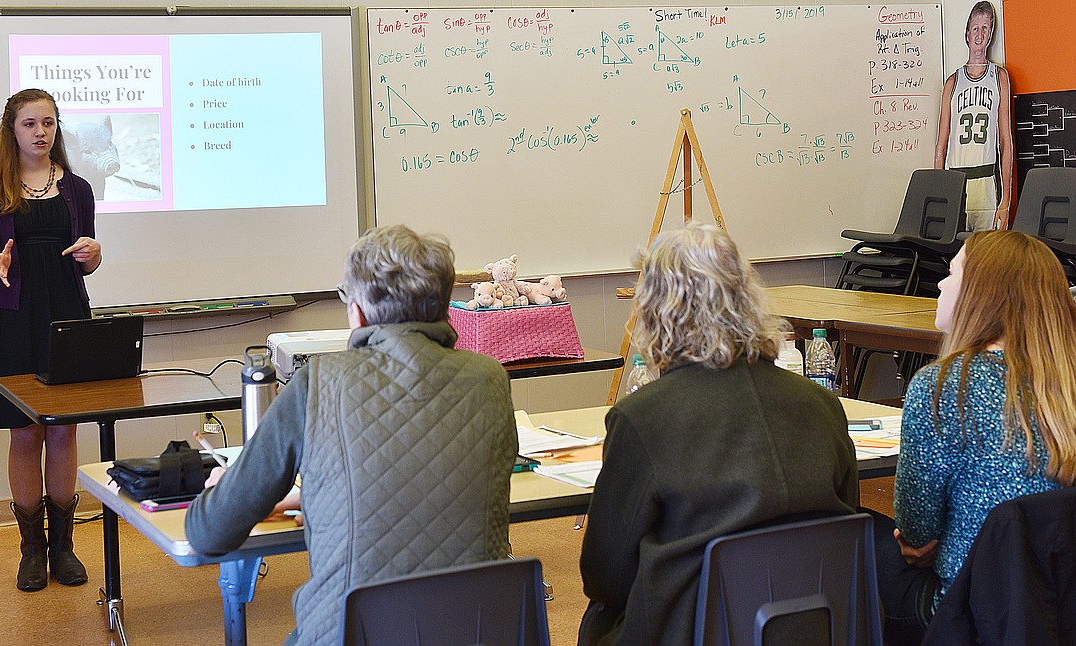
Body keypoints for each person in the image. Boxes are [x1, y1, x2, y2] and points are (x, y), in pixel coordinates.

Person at [185, 224, 517, 645]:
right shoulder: (489, 379)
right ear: (442, 308)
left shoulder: (317, 382)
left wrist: (218, 486)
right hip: (472, 634)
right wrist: (328, 490)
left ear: (357, 312)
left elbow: (208, 535)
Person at [578, 223, 859, 645]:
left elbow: (606, 577)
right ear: (747, 298)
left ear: (656, 311)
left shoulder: (644, 417)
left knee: (599, 619)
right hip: (817, 625)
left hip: (698, 632)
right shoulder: (820, 405)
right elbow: (844, 527)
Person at [873, 230, 1076, 644]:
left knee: (863, 548)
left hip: (971, 611)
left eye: (952, 273)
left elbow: (917, 531)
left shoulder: (945, 386)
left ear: (982, 295)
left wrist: (917, 544)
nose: (942, 284)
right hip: (1063, 608)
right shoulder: (1067, 383)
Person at [0, 89, 102, 592]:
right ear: (11, 130)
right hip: (14, 320)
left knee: (62, 431)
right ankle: (31, 550)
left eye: (49, 123)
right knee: (25, 433)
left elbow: (88, 260)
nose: (41, 132)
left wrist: (94, 254)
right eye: (30, 124)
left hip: (67, 317)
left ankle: (64, 546)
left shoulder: (78, 189)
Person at [934, 1, 1013, 231]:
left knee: (988, 258)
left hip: (988, 181)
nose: (980, 34)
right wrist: (939, 194)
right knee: (957, 258)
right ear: (967, 33)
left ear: (991, 35)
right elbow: (941, 144)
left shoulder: (999, 77)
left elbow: (1006, 142)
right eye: (975, 28)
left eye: (986, 28)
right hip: (956, 183)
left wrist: (1005, 200)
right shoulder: (952, 82)